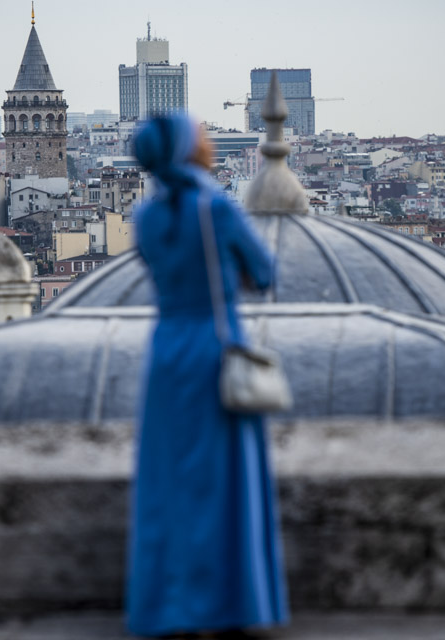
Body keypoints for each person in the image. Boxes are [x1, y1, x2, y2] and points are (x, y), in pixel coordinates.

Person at [126, 114, 289, 638]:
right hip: (216, 349)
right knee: (225, 483)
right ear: (186, 150)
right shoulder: (214, 206)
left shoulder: (147, 215)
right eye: (200, 135)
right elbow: (262, 273)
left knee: (169, 480)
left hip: (167, 349)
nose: (209, 140)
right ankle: (230, 604)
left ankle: (170, 607)